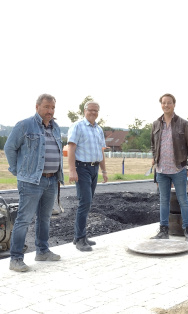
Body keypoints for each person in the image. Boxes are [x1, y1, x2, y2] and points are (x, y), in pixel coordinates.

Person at [4, 93, 64, 272]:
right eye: (46, 107)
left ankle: (42, 251)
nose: (50, 111)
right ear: (37, 107)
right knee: (24, 219)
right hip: (31, 182)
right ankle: (15, 259)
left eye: (52, 108)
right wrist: (18, 170)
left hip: (51, 180)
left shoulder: (56, 127)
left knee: (44, 219)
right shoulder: (24, 125)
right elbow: (9, 148)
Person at [150, 93, 188, 244]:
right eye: (163, 103)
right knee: (164, 200)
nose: (166, 105)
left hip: (178, 169)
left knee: (183, 200)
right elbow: (153, 144)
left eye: (169, 103)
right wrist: (154, 157)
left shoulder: (184, 124)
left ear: (174, 104)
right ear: (161, 105)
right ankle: (164, 231)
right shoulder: (156, 124)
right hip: (161, 170)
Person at [67, 100, 108, 252]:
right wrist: (72, 170)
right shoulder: (77, 126)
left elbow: (101, 151)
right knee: (84, 202)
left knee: (87, 203)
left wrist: (104, 171)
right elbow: (71, 148)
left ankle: (80, 236)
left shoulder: (99, 129)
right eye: (90, 110)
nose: (93, 113)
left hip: (94, 168)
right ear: (84, 111)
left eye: (96, 111)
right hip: (81, 168)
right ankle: (80, 239)